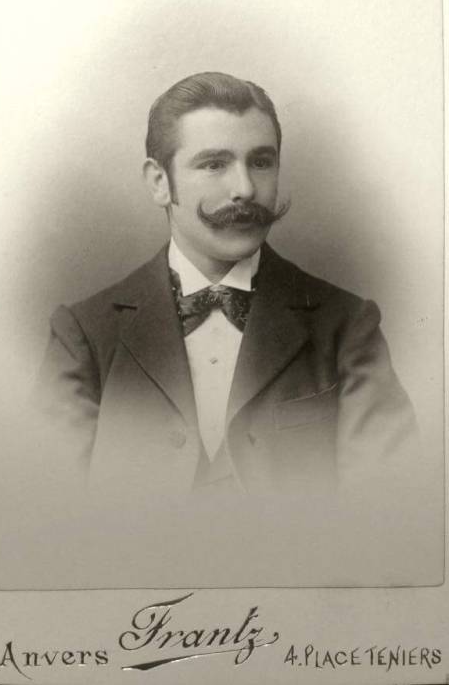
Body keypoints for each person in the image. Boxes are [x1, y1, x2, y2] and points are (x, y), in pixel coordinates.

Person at [35, 71, 418, 500]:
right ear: (159, 182)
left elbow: (388, 508)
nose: (245, 189)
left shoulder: (347, 328)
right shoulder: (84, 335)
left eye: (261, 162)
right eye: (214, 164)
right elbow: (50, 513)